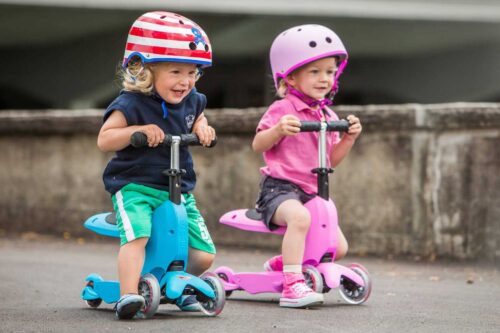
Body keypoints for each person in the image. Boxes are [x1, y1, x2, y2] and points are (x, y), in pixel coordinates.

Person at [97, 11, 216, 319]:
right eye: (176, 71)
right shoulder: (130, 104)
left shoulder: (194, 101)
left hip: (178, 190)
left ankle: (171, 287)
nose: (186, 81)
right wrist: (136, 132)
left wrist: (203, 127)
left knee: (203, 256)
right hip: (135, 186)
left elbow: (197, 117)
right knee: (138, 236)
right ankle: (128, 294)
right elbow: (105, 139)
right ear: (144, 70)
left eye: (192, 72)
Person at [252, 24, 362, 308]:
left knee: (337, 247)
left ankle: (283, 262)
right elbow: (258, 145)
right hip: (279, 190)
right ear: (289, 77)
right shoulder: (282, 109)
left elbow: (330, 161)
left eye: (329, 71)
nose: (324, 78)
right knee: (300, 219)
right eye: (315, 71)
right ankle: (291, 285)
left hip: (314, 189)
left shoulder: (327, 113)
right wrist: (277, 130)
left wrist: (348, 139)